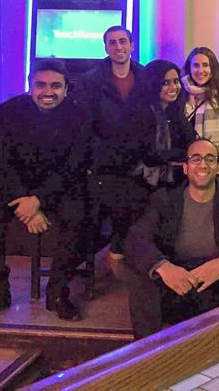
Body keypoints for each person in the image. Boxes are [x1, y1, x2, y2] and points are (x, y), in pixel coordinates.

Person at [0, 59, 88, 323]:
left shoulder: (79, 115)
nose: (47, 92)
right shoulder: (10, 111)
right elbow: (2, 161)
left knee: (79, 216)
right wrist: (25, 206)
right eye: (40, 85)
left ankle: (58, 293)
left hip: (59, 188)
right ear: (30, 86)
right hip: (16, 188)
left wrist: (39, 200)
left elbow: (73, 166)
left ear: (66, 89)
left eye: (55, 86)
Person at [124, 139, 219, 339]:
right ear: (185, 168)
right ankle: (147, 357)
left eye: (210, 159)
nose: (203, 165)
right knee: (142, 282)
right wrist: (163, 266)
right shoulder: (165, 200)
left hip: (216, 282)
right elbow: (136, 238)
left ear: (218, 168)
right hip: (177, 280)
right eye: (195, 159)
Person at [71, 26, 155, 273]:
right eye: (112, 43)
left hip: (138, 161)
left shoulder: (146, 77)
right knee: (119, 199)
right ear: (105, 48)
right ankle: (116, 254)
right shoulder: (89, 81)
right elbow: (83, 125)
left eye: (123, 42)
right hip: (103, 164)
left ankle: (121, 254)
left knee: (147, 202)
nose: (118, 47)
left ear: (131, 45)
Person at [141, 59, 197, 188]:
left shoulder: (175, 109)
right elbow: (150, 156)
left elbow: (190, 139)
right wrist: (184, 153)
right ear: (154, 84)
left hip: (174, 182)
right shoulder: (141, 112)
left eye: (176, 81)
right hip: (143, 183)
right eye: (166, 83)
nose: (173, 87)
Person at [182, 47, 219, 146]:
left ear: (213, 68)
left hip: (217, 153)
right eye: (196, 65)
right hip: (184, 154)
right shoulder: (180, 93)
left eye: (205, 65)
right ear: (189, 68)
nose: (200, 70)